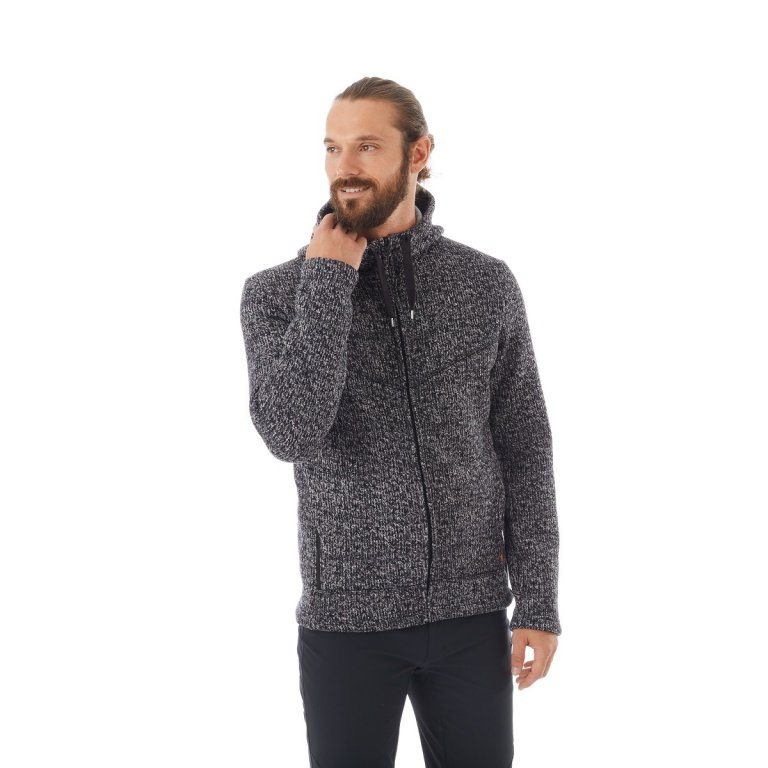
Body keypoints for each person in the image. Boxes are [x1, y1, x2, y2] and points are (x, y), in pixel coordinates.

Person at [240, 76, 561, 768]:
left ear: (418, 153)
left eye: (366, 146)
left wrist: (538, 600)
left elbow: (525, 446)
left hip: (472, 615)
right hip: (347, 622)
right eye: (332, 148)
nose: (344, 167)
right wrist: (328, 282)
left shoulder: (484, 284)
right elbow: (290, 432)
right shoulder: (277, 294)